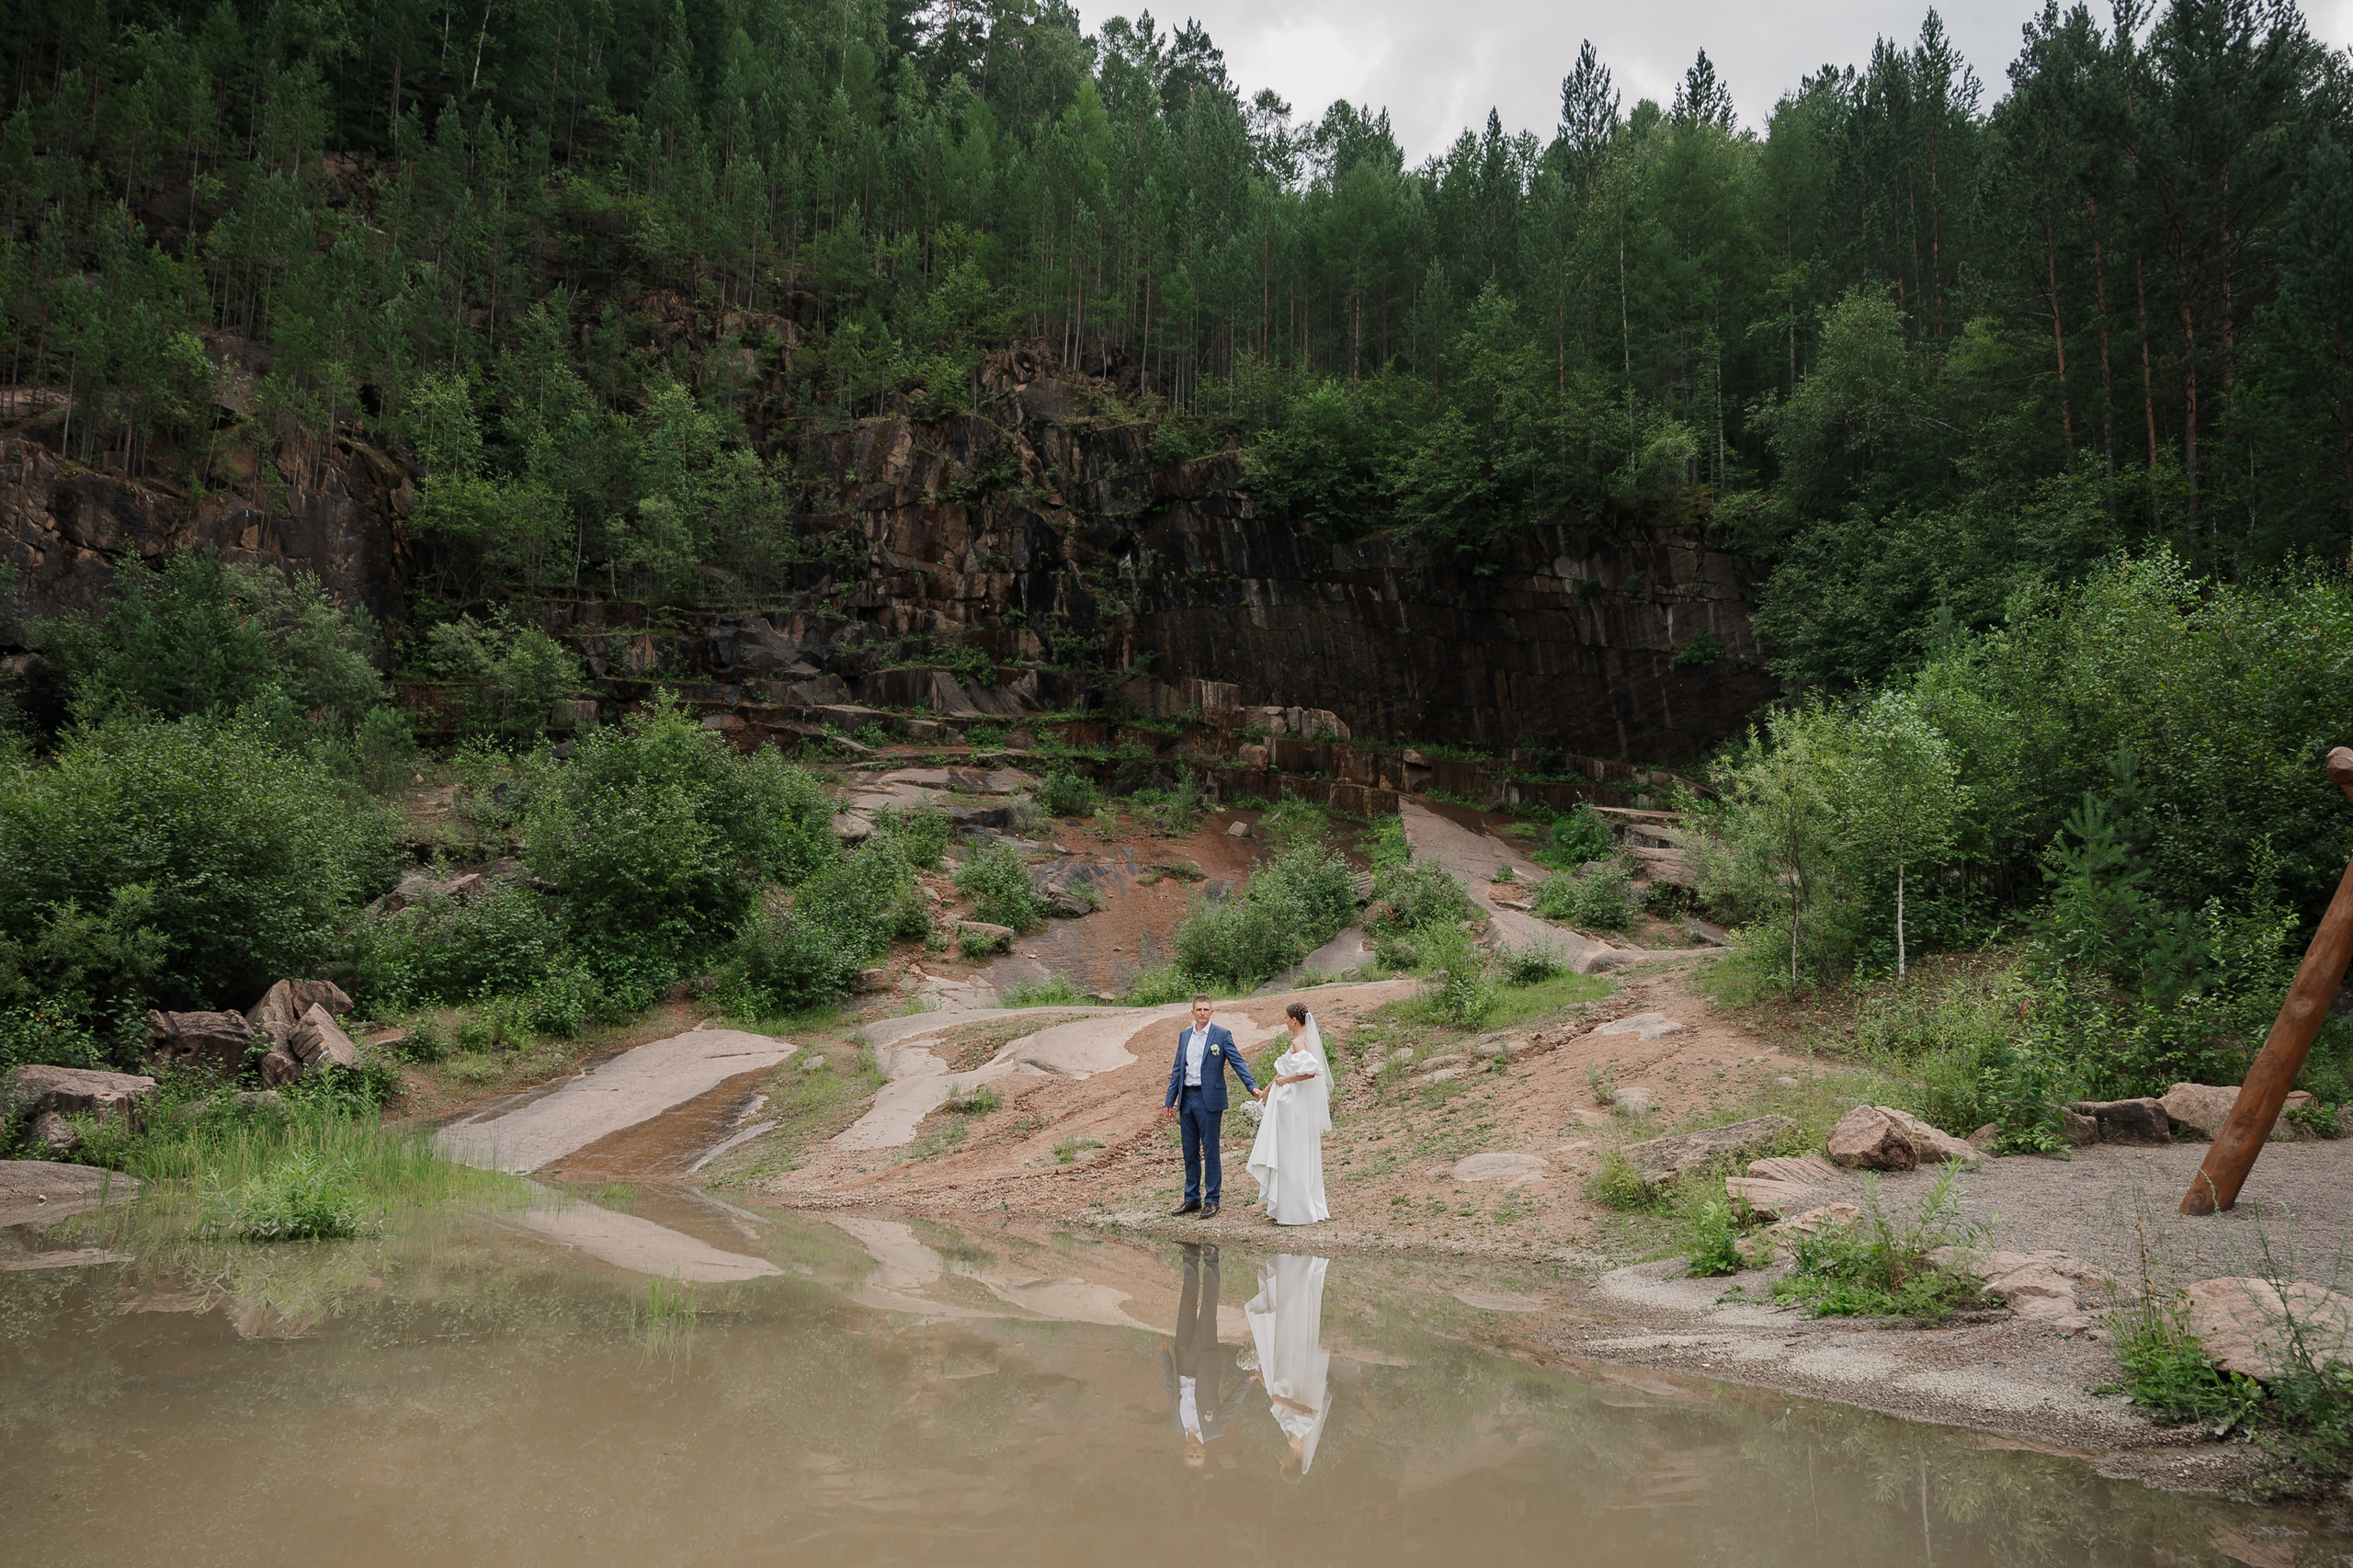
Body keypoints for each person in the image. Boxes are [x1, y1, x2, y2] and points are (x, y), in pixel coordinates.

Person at [1163, 994, 1259, 1218]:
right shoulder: (1185, 1036)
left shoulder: (1221, 1035)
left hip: (1209, 1100)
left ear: (1212, 1012)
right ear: (1192, 1012)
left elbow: (1237, 1061)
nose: (1203, 1013)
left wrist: (1252, 1086)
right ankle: (1191, 1197)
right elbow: (1178, 1068)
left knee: (1211, 1149)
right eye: (1199, 1009)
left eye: (1206, 1009)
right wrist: (1171, 1098)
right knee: (1189, 1150)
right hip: (1187, 1097)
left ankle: (1212, 1199)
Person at [1161, 1244, 1252, 1469]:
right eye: (1197, 1457)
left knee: (1186, 1306)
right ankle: (1212, 1259)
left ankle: (1190, 1256)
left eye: (1190, 1457)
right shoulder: (1215, 1430)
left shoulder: (1177, 1425)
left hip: (1182, 1360)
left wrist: (1165, 1360)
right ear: (1203, 1453)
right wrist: (1248, 1381)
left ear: (1184, 1452)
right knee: (1208, 1310)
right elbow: (1232, 1403)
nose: (1193, 1454)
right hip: (1204, 1361)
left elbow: (1171, 1390)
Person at [1245, 1253, 1333, 1478]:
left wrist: (1260, 1377)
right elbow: (1309, 1412)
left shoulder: (1293, 1441)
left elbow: (1276, 1400)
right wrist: (1282, 1400)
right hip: (1290, 1377)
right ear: (1290, 1464)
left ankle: (1292, 1280)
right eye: (1282, 1465)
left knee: (1286, 1334)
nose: (1280, 1460)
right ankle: (1294, 1278)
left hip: (1283, 1380)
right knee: (1286, 1334)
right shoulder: (1296, 1442)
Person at [1245, 1003, 1331, 1225]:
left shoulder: (1298, 1041)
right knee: (1293, 1152)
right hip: (1292, 1103)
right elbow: (1282, 1071)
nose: (1284, 1021)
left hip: (1291, 1106)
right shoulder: (1306, 1040)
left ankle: (1293, 1210)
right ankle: (1294, 1206)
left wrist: (1288, 1080)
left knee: (1290, 1153)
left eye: (1285, 1018)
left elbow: (1311, 1072)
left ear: (1294, 1020)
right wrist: (1265, 1090)